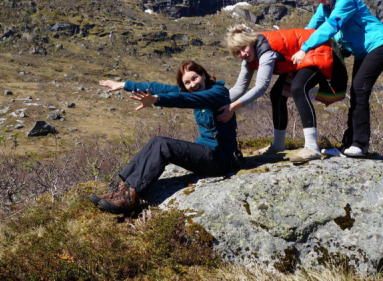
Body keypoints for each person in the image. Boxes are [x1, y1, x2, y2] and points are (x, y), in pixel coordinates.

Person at [88, 60, 240, 214]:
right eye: (187, 83)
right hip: (206, 152)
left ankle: (130, 200)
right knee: (156, 141)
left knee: (162, 144)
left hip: (221, 158)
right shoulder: (193, 92)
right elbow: (159, 87)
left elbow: (187, 100)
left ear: (203, 75)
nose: (192, 85)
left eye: (195, 78)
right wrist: (123, 85)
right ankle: (125, 190)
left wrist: (156, 99)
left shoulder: (218, 92)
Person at [292, 0, 383, 157]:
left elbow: (332, 25)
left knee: (360, 91)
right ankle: (347, 147)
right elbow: (311, 27)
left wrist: (305, 48)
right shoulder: (325, 7)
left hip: (379, 46)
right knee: (356, 93)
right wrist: (296, 45)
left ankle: (360, 145)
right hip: (363, 52)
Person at [218, 26, 347, 164]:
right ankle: (278, 144)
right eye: (238, 52)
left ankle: (312, 147)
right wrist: (217, 102)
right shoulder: (249, 59)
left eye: (243, 48)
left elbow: (261, 87)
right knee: (276, 94)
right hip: (298, 57)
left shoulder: (265, 51)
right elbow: (239, 87)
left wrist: (232, 107)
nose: (242, 53)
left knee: (298, 88)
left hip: (319, 48)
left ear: (250, 41)